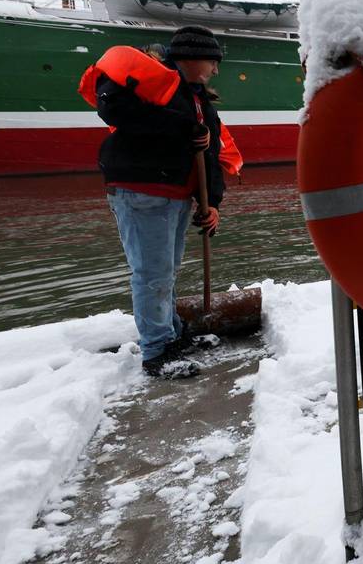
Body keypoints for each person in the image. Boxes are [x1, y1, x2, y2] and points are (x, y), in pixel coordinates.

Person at [78, 26, 241, 378]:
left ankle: (171, 335)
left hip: (174, 195)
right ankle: (157, 353)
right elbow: (113, 107)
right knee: (152, 275)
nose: (216, 70)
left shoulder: (197, 100)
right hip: (144, 191)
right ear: (192, 57)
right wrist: (183, 127)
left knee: (165, 272)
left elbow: (210, 153)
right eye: (213, 61)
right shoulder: (149, 83)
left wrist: (212, 203)